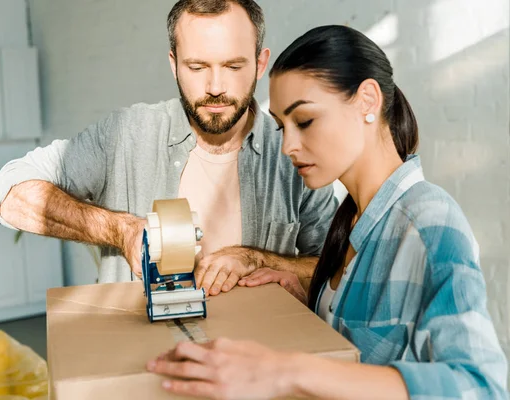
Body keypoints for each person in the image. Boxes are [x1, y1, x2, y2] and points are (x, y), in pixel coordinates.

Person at [146, 25, 509, 399]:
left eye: (304, 121)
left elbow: (483, 386)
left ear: (367, 100)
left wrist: (287, 370)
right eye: (283, 127)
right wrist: (311, 300)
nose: (287, 146)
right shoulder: (350, 218)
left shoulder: (427, 222)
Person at [0, 0, 337, 293]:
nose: (215, 86)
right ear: (174, 64)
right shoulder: (125, 134)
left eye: (233, 65)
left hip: (255, 361)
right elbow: (3, 194)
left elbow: (335, 265)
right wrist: (122, 230)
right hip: (145, 359)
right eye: (197, 67)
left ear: (260, 64)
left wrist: (258, 260)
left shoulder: (292, 152)